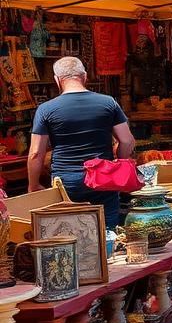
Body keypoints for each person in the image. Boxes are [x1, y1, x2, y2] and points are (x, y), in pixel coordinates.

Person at [27, 57, 136, 226]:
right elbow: (127, 141)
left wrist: (33, 185)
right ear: (84, 77)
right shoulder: (108, 102)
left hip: (67, 181)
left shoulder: (45, 109)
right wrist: (118, 163)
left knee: (70, 230)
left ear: (57, 80)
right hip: (103, 177)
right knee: (107, 229)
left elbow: (36, 153)